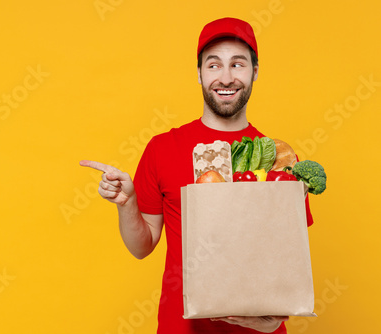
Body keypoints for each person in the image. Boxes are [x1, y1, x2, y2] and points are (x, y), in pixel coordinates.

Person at [80, 17, 313, 333]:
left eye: (238, 65)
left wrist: (271, 322)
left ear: (255, 72)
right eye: (214, 65)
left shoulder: (277, 157)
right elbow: (141, 246)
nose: (226, 77)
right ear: (199, 74)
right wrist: (127, 203)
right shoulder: (163, 148)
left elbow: (287, 256)